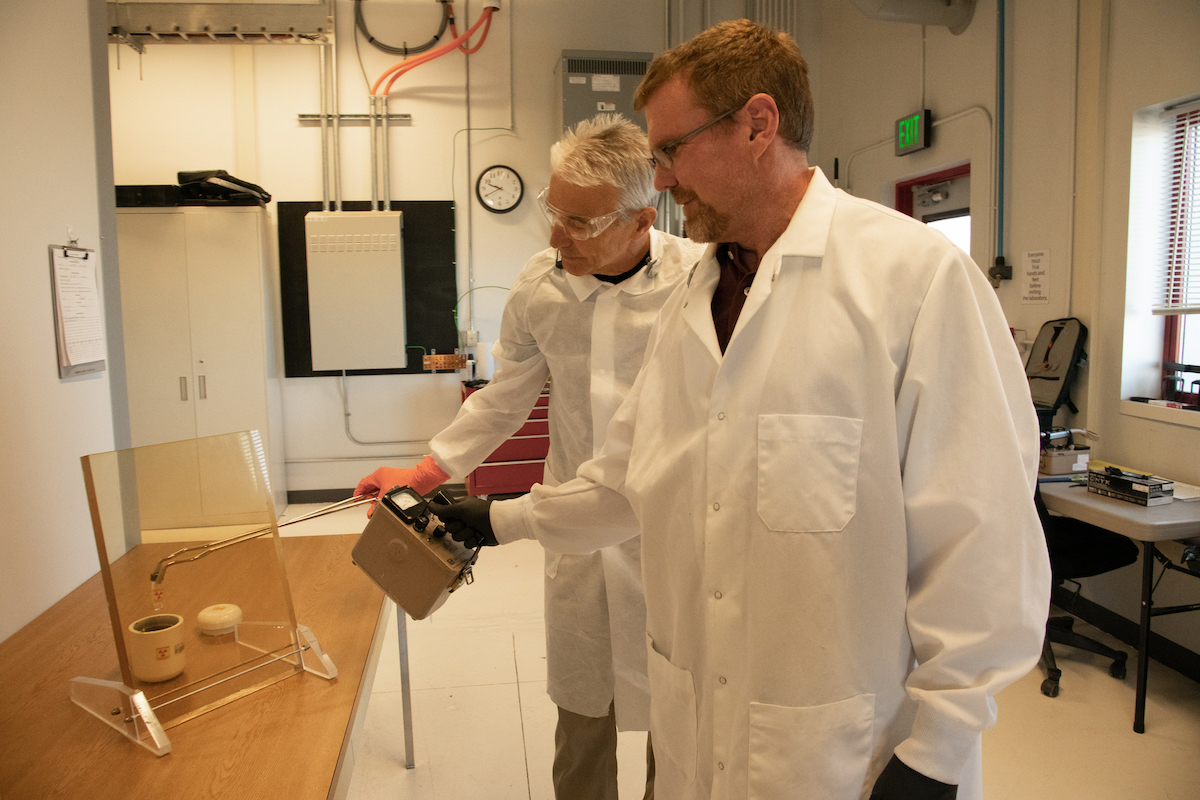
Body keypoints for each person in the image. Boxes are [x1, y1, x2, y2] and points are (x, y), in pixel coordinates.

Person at [433, 19, 1051, 800]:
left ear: (758, 125)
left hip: (836, 750)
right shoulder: (694, 298)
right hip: (701, 735)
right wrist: (493, 519)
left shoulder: (913, 280)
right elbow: (630, 483)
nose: (658, 181)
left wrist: (942, 747)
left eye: (672, 151)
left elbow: (981, 533)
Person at [355, 113, 706, 800]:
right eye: (555, 212)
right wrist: (425, 472)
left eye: (581, 223)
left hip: (671, 532)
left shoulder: (698, 283)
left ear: (642, 218)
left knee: (683, 724)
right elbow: (503, 399)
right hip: (571, 528)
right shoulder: (541, 287)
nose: (555, 236)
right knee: (581, 719)